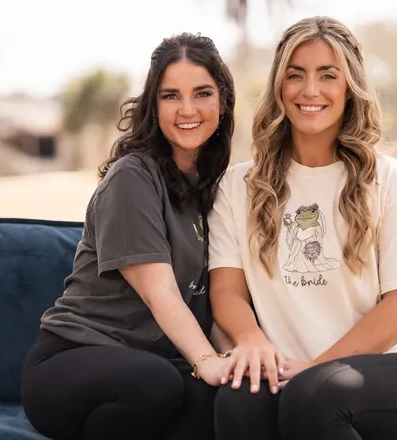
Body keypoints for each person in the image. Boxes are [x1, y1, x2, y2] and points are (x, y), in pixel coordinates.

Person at [207, 16, 397, 440]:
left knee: (315, 395)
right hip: (294, 371)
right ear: (279, 88)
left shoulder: (394, 181)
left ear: (350, 87)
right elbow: (227, 290)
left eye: (328, 75)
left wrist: (315, 367)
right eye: (296, 76)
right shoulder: (237, 187)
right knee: (241, 396)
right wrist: (252, 340)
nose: (310, 91)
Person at [21, 32, 236, 440]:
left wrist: (237, 358)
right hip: (72, 360)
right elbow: (162, 294)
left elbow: (212, 302)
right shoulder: (133, 177)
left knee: (220, 402)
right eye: (171, 95)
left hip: (153, 365)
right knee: (157, 383)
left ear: (222, 102)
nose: (187, 109)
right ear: (153, 106)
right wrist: (207, 360)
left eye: (202, 93)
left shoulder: (212, 188)